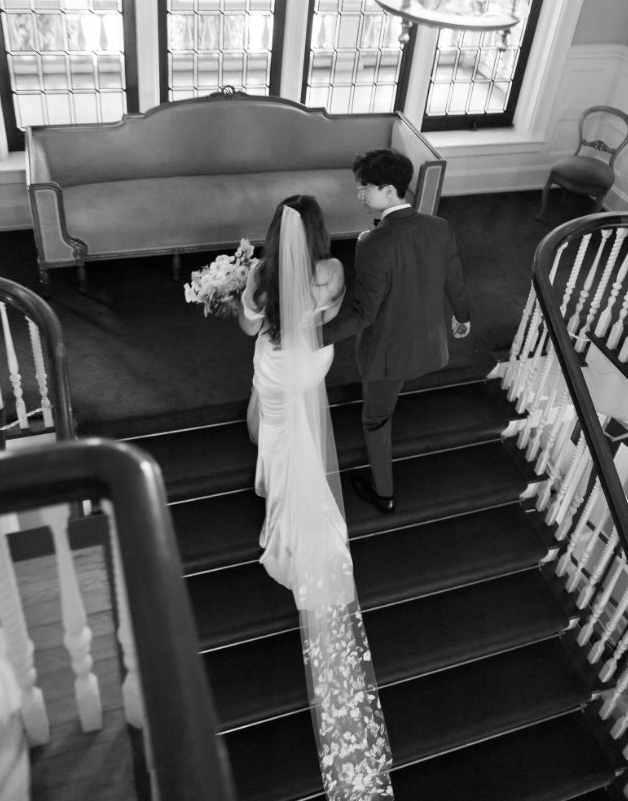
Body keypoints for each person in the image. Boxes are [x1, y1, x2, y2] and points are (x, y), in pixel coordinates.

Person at [238, 194, 393, 801]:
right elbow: (326, 312)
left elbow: (252, 326)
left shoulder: (262, 273)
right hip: (313, 363)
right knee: (295, 424)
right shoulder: (332, 269)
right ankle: (289, 483)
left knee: (273, 426)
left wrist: (246, 291)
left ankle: (277, 494)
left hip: (277, 365)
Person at [322, 149, 471, 514]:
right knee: (387, 403)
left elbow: (363, 314)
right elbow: (455, 279)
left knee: (375, 419)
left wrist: (312, 338)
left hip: (389, 356)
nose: (359, 195)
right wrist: (463, 316)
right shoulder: (439, 226)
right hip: (429, 346)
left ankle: (383, 493)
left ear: (389, 190)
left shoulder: (372, 242)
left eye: (365, 188)